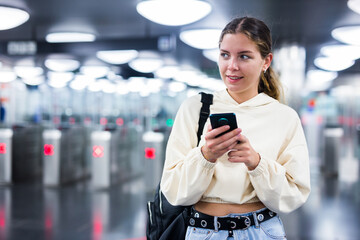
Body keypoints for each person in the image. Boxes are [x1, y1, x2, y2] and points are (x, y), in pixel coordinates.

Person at [160, 16, 311, 240]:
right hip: (203, 231)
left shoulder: (285, 117)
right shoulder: (195, 108)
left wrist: (256, 163)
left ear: (266, 61)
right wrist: (205, 156)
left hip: (261, 232)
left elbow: (294, 194)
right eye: (224, 55)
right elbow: (173, 190)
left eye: (244, 56)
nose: (232, 66)